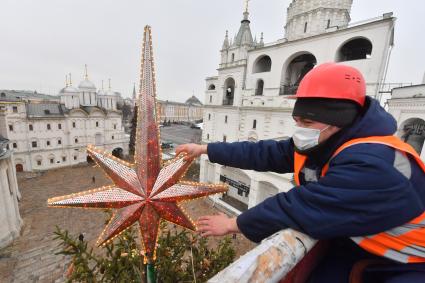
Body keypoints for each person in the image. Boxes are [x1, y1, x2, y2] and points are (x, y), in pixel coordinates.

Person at [176, 63, 425, 282]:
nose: (299, 130)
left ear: (338, 120)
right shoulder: (330, 141)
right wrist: (204, 149)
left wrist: (232, 223)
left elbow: (298, 206)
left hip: (409, 261)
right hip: (366, 241)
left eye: (307, 123)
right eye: (297, 121)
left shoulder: (371, 164)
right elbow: (263, 153)